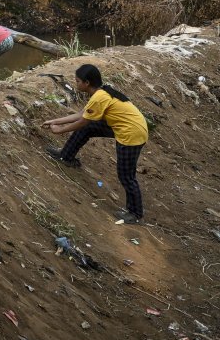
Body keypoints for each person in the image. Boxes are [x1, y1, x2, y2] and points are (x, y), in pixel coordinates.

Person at [42, 63, 149, 224]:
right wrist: (55, 121)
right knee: (90, 127)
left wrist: (59, 130)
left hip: (131, 134)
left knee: (126, 175)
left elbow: (82, 121)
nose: (75, 84)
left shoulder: (100, 96)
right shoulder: (101, 92)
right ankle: (66, 156)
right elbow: (83, 114)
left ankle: (135, 213)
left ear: (87, 83)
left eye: (77, 81)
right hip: (128, 126)